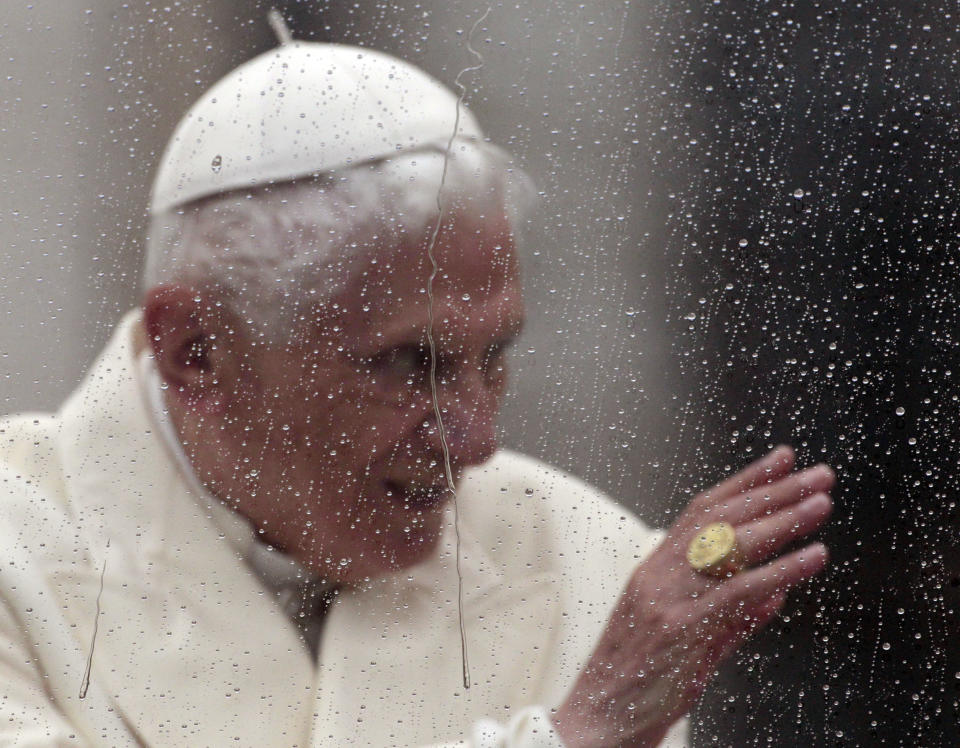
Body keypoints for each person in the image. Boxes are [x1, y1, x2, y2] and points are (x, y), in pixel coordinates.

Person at [0, 37, 834, 747]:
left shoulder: (590, 563)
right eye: (407, 364)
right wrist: (578, 732)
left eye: (494, 356)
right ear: (197, 353)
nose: (475, 440)